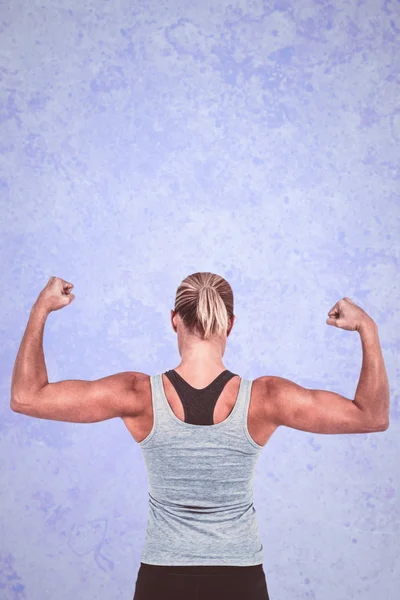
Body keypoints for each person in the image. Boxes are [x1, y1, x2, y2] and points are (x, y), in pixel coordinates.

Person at [10, 273, 390, 600]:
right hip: (239, 579)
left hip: (162, 578)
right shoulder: (266, 398)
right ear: (230, 324)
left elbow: (27, 397)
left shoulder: (136, 394)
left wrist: (39, 310)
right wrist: (368, 329)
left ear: (174, 320)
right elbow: (372, 416)